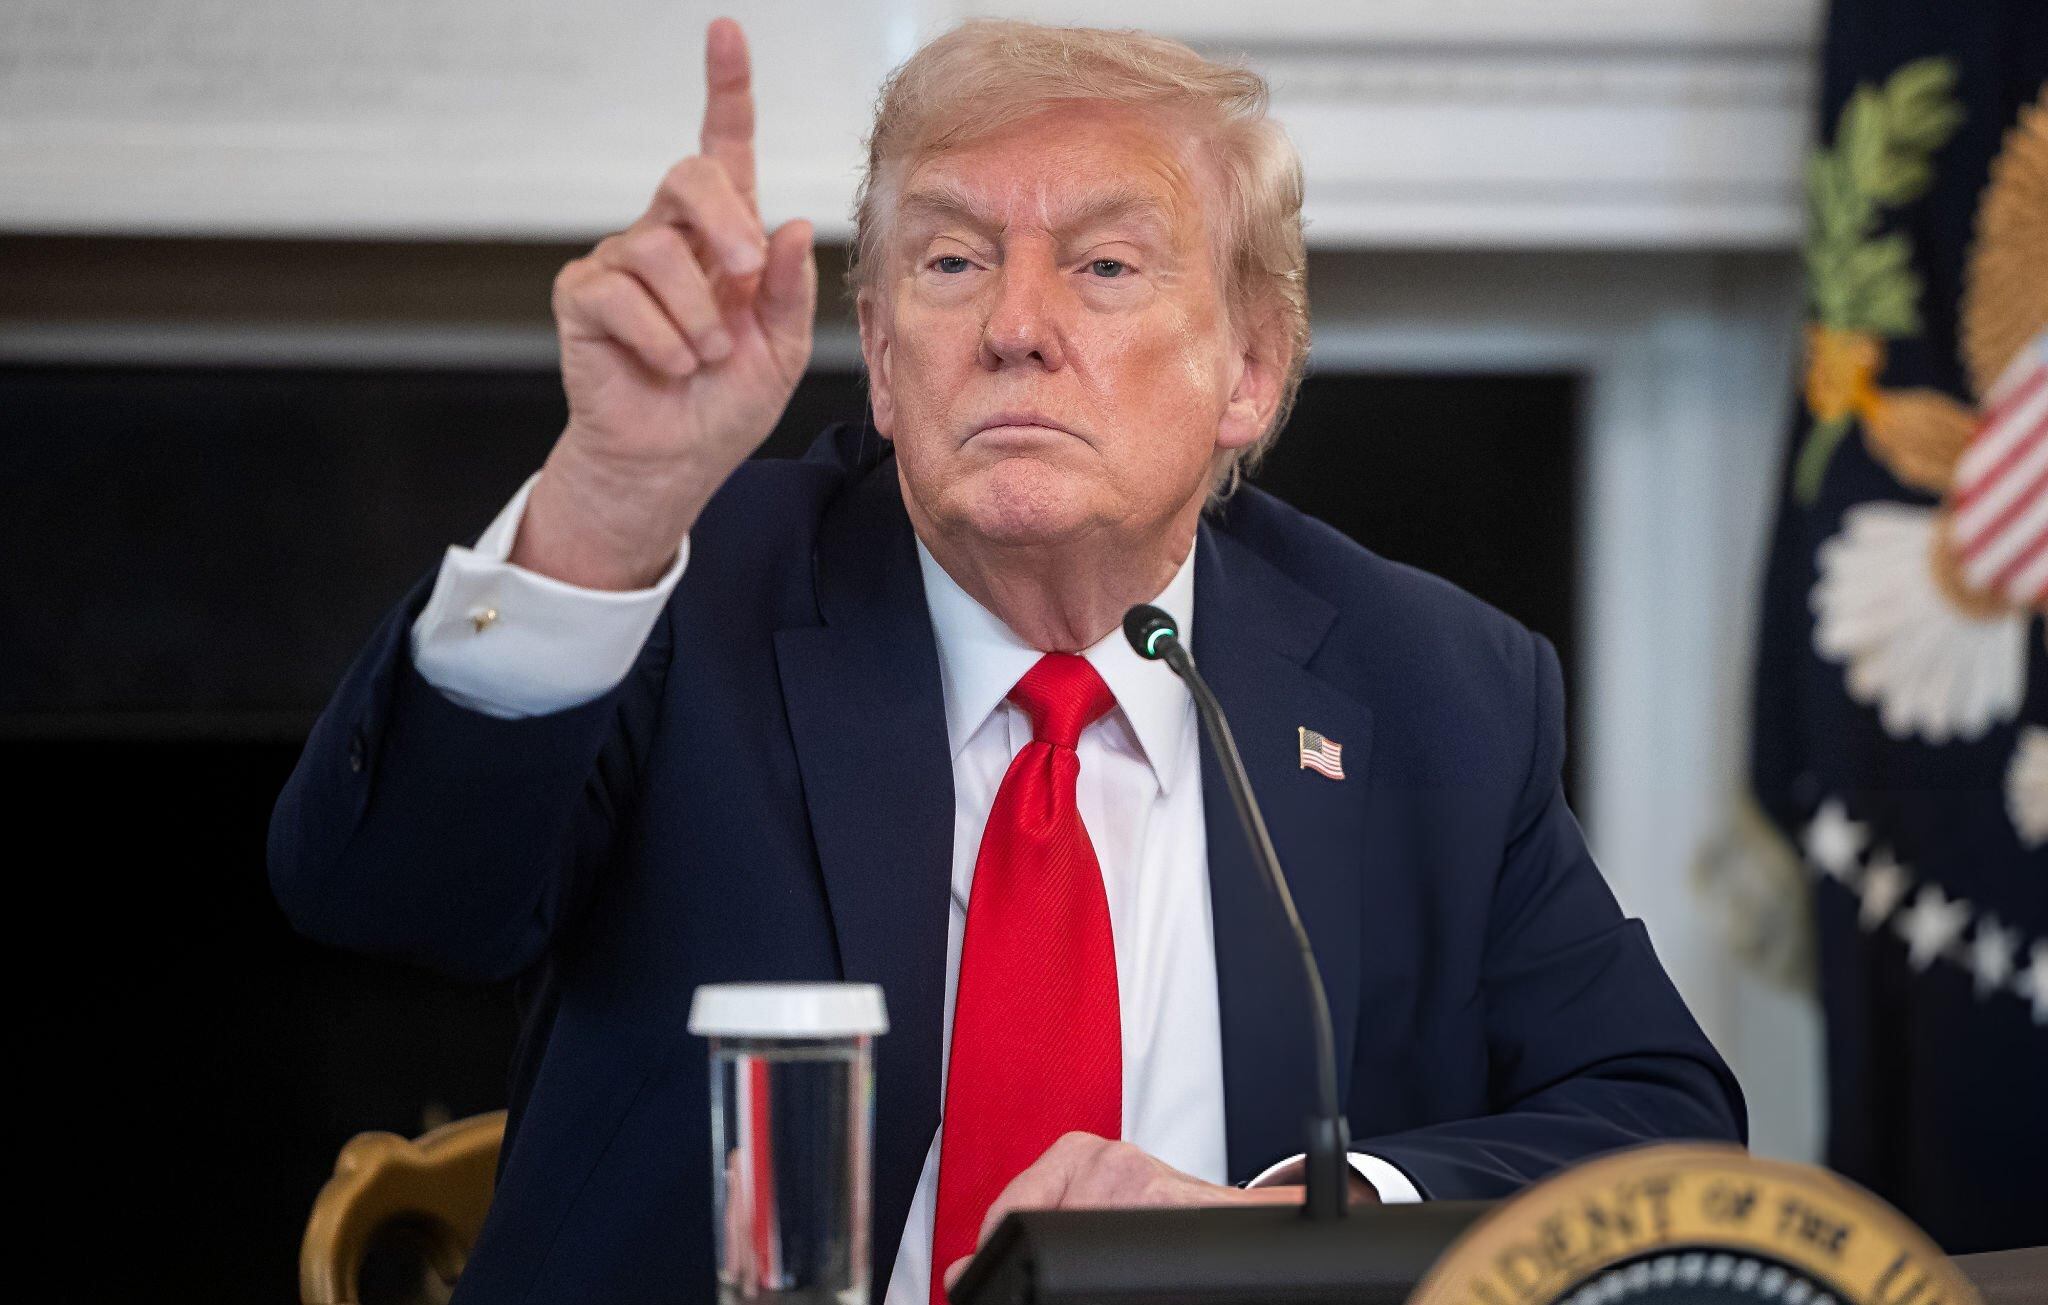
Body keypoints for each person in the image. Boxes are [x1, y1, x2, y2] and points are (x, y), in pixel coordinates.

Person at [269, 17, 1744, 1304]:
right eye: (954, 260)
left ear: (1252, 368)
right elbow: (389, 892)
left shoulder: (1432, 686)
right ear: (884, 350)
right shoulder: (688, 595)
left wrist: (1288, 1224)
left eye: (1104, 264)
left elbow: (1659, 1124)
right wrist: (601, 505)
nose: (1017, 327)